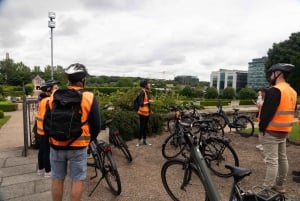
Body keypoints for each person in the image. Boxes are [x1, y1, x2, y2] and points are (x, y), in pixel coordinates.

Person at [49, 63, 101, 201]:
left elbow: (47, 119)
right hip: (78, 146)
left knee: (57, 178)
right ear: (83, 79)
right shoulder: (89, 97)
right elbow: (96, 125)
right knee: (77, 180)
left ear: (68, 80)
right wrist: (89, 140)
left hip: (56, 144)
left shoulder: (55, 94)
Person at [259, 63, 297, 193]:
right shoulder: (292, 91)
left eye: (272, 73)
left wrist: (261, 128)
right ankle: (279, 185)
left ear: (278, 73)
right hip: (284, 131)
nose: (270, 76)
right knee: (282, 158)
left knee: (272, 161)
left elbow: (267, 112)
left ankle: (266, 189)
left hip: (271, 131)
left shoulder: (275, 90)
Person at [36, 80, 59, 177]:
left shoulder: (42, 100)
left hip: (41, 128)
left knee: (42, 150)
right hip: (46, 129)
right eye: (55, 88)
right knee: (47, 150)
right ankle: (48, 171)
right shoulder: (49, 100)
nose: (57, 89)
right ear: (50, 90)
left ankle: (40, 169)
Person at [136, 79, 153, 146]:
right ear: (145, 85)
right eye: (148, 83)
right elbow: (141, 103)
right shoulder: (142, 92)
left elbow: (148, 103)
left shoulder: (147, 92)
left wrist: (150, 110)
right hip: (142, 113)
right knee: (142, 127)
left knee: (145, 127)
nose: (150, 84)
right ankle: (139, 141)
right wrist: (149, 101)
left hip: (147, 112)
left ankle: (145, 141)